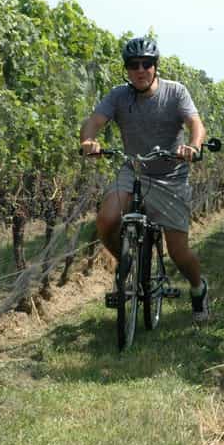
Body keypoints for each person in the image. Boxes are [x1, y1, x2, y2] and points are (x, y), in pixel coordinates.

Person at [80, 37, 210, 322]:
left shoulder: (175, 92)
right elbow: (94, 121)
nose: (141, 70)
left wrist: (194, 147)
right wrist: (89, 140)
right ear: (126, 69)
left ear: (155, 66)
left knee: (178, 252)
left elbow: (195, 124)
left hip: (170, 176)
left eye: (147, 64)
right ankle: (126, 263)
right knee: (106, 219)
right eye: (133, 65)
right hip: (134, 170)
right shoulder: (118, 96)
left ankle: (198, 288)